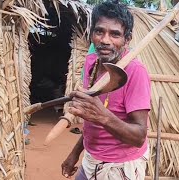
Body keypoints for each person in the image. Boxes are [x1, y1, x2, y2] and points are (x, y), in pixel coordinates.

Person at [61, 1, 151, 180]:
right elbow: (91, 123)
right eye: (99, 31)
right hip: (91, 160)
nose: (105, 40)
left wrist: (102, 115)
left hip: (120, 167)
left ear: (127, 39)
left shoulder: (135, 72)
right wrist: (75, 153)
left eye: (115, 34)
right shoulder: (91, 63)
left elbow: (139, 136)